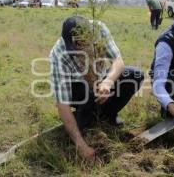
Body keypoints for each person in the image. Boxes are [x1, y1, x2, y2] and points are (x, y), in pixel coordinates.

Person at [50, 16, 144, 163]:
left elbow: (118, 62)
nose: (78, 49)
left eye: (82, 43)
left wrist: (108, 82)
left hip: (101, 79)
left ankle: (107, 116)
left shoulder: (99, 29)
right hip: (78, 89)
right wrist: (81, 147)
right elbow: (62, 104)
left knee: (135, 75)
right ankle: (85, 123)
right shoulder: (58, 54)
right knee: (85, 94)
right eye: (74, 46)